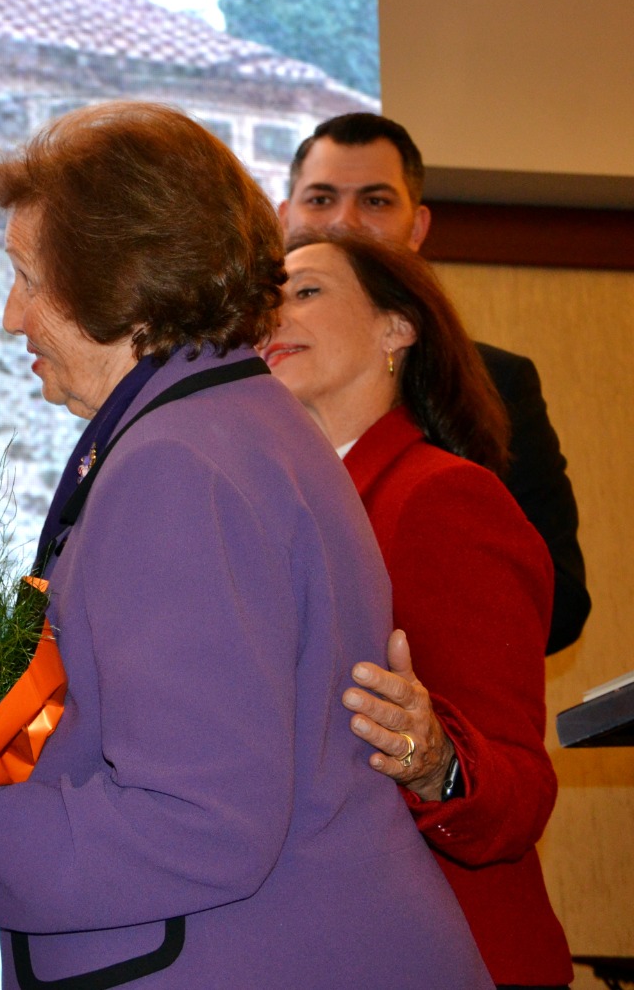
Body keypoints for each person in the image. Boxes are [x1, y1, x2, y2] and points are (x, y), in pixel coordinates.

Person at [0, 103, 488, 987]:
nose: (12, 317)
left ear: (120, 279)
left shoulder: (179, 461)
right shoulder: (232, 421)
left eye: (29, 278)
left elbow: (198, 820)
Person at [262, 232, 572, 988]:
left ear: (397, 328)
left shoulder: (441, 496)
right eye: (264, 300)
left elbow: (519, 790)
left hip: (454, 954)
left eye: (304, 292)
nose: (273, 316)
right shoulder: (285, 509)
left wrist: (434, 763)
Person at [281, 112, 589, 655]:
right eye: (321, 200)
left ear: (417, 226)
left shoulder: (496, 390)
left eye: (375, 202)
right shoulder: (245, 393)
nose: (344, 223)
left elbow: (555, 602)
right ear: (284, 218)